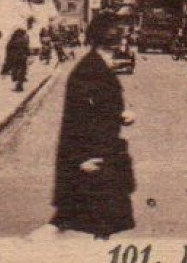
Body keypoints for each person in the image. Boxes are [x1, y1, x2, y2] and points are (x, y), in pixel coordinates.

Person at [51, 14, 136, 239]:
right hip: (94, 159)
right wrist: (81, 159)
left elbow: (98, 110)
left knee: (99, 225)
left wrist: (120, 115)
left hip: (102, 156)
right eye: (120, 35)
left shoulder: (97, 67)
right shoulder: (90, 70)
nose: (124, 39)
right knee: (76, 224)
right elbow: (78, 119)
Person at [5, 20, 32, 91]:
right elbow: (27, 48)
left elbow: (8, 47)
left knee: (16, 71)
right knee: (22, 71)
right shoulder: (25, 38)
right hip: (22, 57)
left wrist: (8, 57)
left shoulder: (13, 38)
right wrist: (28, 55)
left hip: (15, 57)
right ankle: (20, 85)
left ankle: (18, 86)